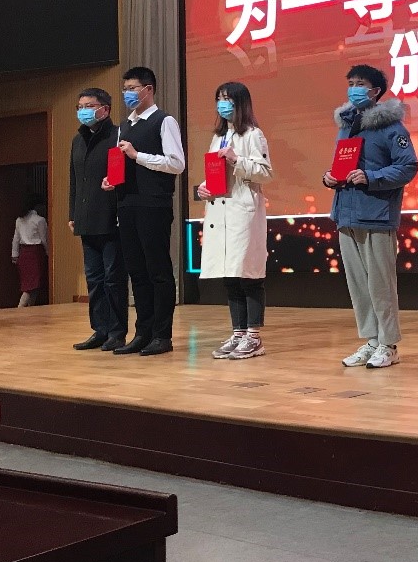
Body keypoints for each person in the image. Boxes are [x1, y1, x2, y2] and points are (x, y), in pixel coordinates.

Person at [324, 65, 418, 370]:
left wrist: (372, 177)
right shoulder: (346, 125)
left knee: (380, 286)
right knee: (359, 286)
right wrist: (330, 177)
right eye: (350, 82)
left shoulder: (392, 128)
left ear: (375, 91)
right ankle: (372, 340)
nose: (353, 88)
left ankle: (389, 344)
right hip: (346, 215)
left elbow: (408, 166)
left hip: (376, 215)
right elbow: (342, 165)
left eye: (360, 83)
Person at [102, 66, 186, 357]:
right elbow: (121, 162)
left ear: (148, 89)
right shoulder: (124, 126)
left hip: (154, 204)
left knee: (158, 270)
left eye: (132, 88)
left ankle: (162, 335)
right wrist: (112, 179)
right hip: (127, 204)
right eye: (124, 89)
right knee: (136, 271)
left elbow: (176, 164)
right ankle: (143, 332)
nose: (127, 94)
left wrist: (138, 156)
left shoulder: (164, 121)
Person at [196, 82, 273, 360]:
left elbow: (265, 172)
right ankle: (238, 332)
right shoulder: (218, 136)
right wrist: (203, 187)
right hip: (220, 212)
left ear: (240, 103)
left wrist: (236, 159)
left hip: (243, 211)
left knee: (248, 273)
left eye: (228, 99)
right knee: (230, 275)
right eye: (219, 98)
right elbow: (215, 173)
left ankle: (253, 335)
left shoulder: (253, 134)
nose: (222, 104)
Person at [69, 88, 127, 350]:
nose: (84, 111)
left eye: (89, 106)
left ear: (105, 109)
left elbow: (120, 177)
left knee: (113, 278)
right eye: (80, 106)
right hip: (85, 219)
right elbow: (74, 180)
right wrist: (73, 213)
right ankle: (100, 329)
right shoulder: (77, 140)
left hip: (110, 217)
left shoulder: (117, 136)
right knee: (93, 279)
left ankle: (117, 331)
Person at [11, 196, 48, 307]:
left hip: (23, 253)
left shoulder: (19, 220)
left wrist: (14, 254)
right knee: (30, 286)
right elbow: (44, 239)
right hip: (36, 254)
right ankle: (20, 309)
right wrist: (48, 252)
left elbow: (16, 239)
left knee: (33, 285)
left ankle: (30, 310)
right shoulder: (40, 220)